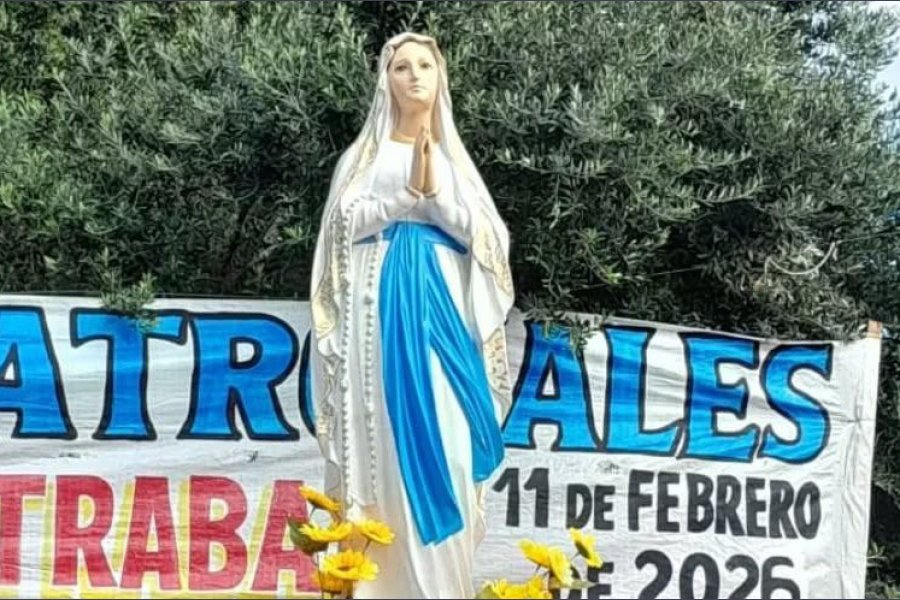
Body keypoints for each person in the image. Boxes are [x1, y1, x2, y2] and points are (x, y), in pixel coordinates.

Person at [309, 32, 515, 598]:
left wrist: (434, 198)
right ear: (387, 81)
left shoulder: (456, 164)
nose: (415, 75)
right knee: (385, 451)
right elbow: (339, 232)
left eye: (426, 65)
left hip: (443, 323)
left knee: (449, 442)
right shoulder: (363, 159)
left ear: (440, 78)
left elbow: (490, 242)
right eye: (402, 66)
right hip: (378, 334)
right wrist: (402, 198)